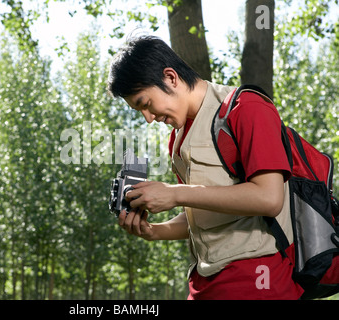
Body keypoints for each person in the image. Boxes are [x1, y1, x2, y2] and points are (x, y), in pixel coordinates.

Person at [107, 35, 304, 300]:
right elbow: (202, 214)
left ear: (170, 78)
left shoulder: (247, 108)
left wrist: (175, 193)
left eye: (145, 103)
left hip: (258, 281)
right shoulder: (176, 139)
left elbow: (269, 198)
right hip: (204, 282)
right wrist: (154, 231)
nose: (149, 118)